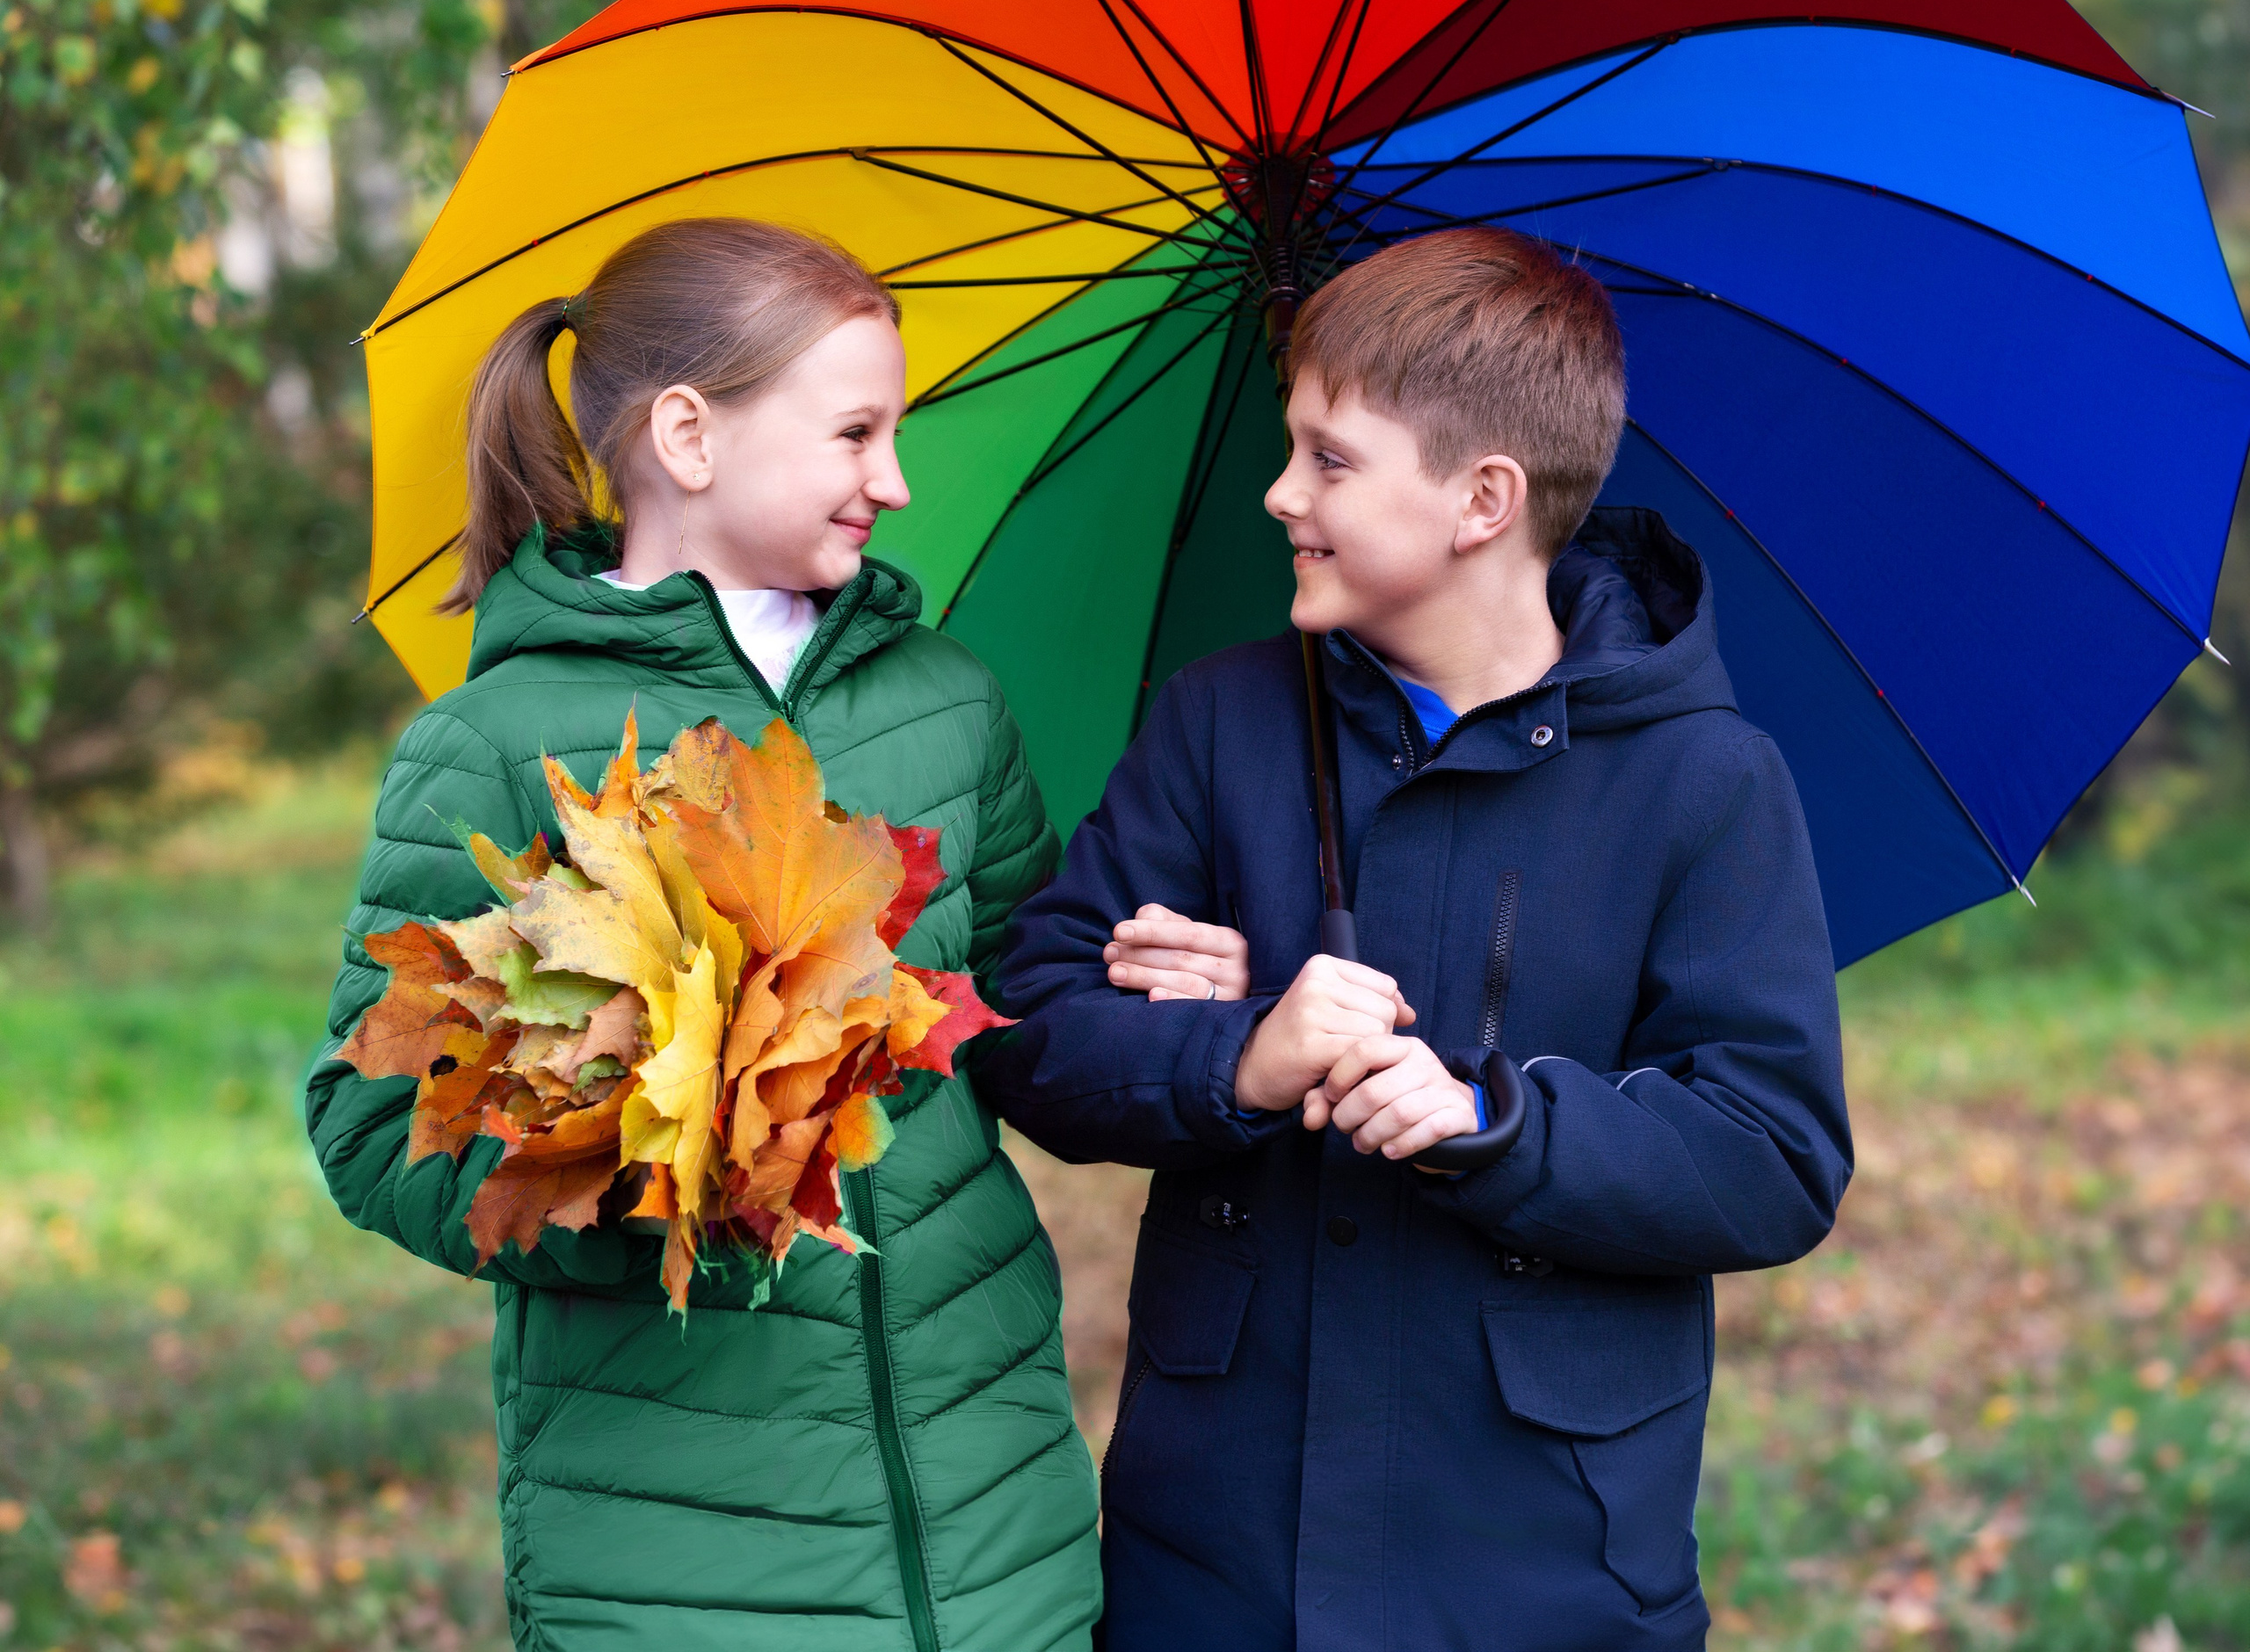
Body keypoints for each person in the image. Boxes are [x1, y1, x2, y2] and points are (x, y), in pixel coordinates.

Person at [303, 217, 1226, 1651]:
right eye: (856, 433)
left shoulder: (947, 700)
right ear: (689, 435)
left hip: (994, 1527)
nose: (896, 481)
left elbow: (1021, 1008)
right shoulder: (491, 746)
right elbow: (369, 1123)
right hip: (680, 1550)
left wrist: (1149, 993)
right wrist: (647, 1187)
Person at [984, 228, 1854, 1651]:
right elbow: (1033, 1032)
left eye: (1329, 460)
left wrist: (1491, 1121)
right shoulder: (1224, 723)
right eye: (1288, 449)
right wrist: (1240, 1053)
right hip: (1221, 1553)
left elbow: (1770, 1156)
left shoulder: (1703, 778)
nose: (1279, 495)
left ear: (1482, 499)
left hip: (1539, 1566)